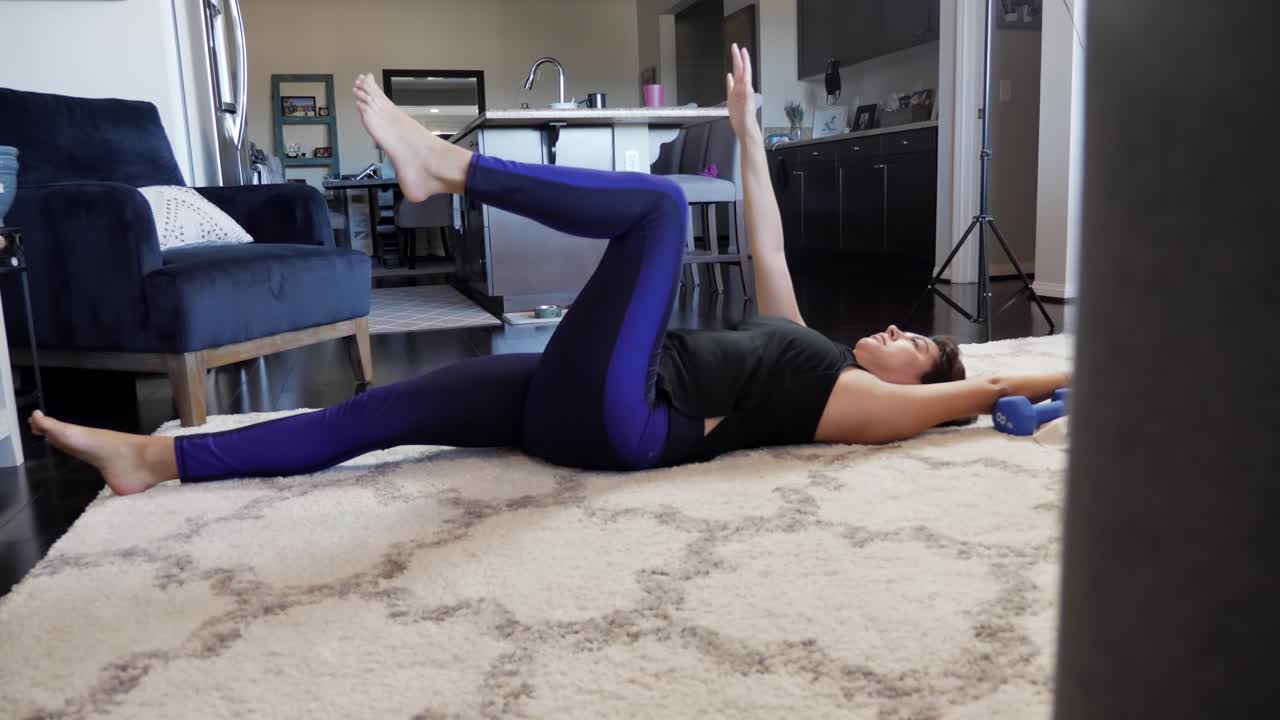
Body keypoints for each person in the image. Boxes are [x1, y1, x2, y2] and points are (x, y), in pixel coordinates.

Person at [28, 45, 1070, 496]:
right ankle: (150, 462)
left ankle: (445, 166)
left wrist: (1067, 375)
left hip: (629, 422)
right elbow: (765, 241)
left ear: (919, 387)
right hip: (582, 402)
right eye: (904, 329)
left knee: (657, 209)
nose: (895, 332)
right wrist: (747, 130)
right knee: (380, 414)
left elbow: (983, 386)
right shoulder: (803, 340)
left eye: (915, 346)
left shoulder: (866, 409)